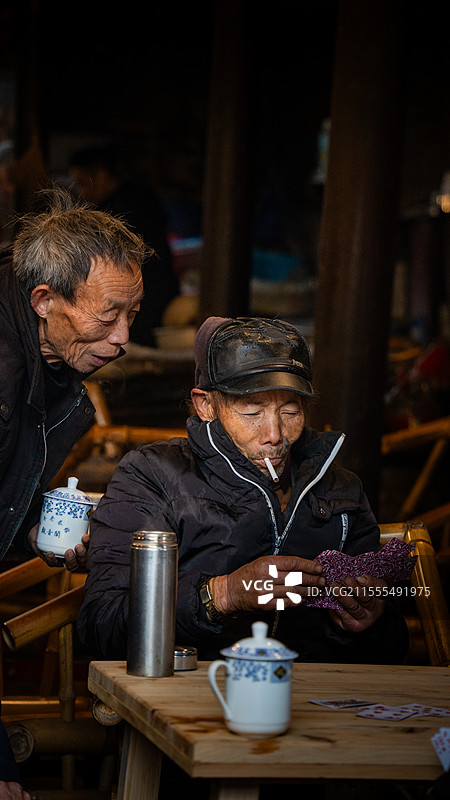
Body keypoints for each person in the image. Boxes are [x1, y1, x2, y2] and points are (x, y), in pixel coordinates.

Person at [77, 316, 409, 664]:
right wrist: (224, 594)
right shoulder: (152, 476)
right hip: (192, 688)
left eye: (291, 410)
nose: (275, 434)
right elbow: (103, 625)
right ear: (206, 405)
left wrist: (369, 622)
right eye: (252, 410)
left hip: (315, 695)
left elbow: (392, 652)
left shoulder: (340, 488)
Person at [0, 187, 146, 573]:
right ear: (44, 300)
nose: (122, 336)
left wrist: (34, 530)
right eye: (107, 315)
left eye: (131, 314)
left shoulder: (54, 357)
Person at [68, 143, 180, 347]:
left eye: (82, 183)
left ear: (101, 176)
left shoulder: (116, 212)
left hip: (148, 298)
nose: (80, 192)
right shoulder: (139, 194)